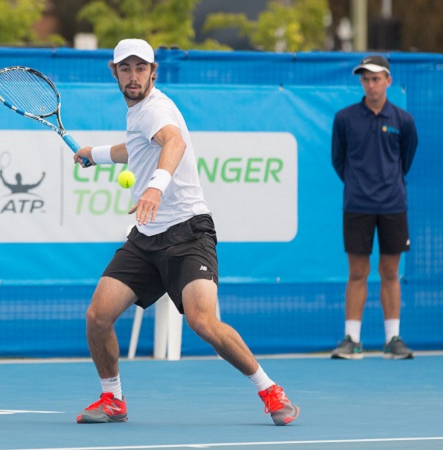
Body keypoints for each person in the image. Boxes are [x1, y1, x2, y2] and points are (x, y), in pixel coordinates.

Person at [72, 38, 299, 425]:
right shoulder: (139, 114)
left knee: (202, 321)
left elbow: (172, 141)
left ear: (153, 73)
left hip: (189, 232)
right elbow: (135, 148)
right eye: (125, 68)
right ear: (114, 73)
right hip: (146, 238)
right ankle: (113, 400)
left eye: (140, 68)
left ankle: (269, 389)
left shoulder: (156, 108)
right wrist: (93, 154)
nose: (133, 76)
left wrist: (155, 186)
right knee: (97, 316)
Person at [330, 55, 418, 360]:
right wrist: (359, 185)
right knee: (357, 273)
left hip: (393, 205)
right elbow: (338, 161)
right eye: (365, 79)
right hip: (357, 206)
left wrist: (387, 183)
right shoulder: (344, 118)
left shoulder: (404, 121)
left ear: (388, 81)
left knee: (390, 272)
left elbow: (405, 161)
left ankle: (393, 338)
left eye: (376, 78)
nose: (371, 84)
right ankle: (352, 340)